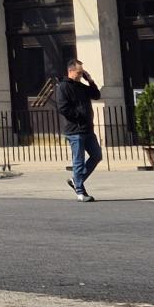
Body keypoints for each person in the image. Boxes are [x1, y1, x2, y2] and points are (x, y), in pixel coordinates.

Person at [57, 59, 104, 202]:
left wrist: (90, 80)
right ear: (70, 71)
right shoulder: (63, 87)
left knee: (97, 155)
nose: (80, 75)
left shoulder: (81, 86)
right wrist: (79, 115)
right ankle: (80, 192)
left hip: (87, 129)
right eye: (79, 72)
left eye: (82, 72)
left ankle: (76, 180)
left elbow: (96, 95)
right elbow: (63, 108)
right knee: (79, 161)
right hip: (75, 130)